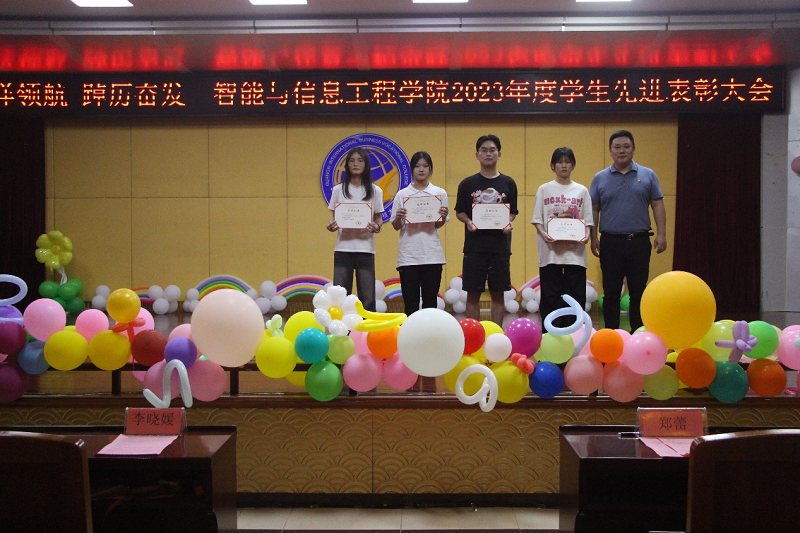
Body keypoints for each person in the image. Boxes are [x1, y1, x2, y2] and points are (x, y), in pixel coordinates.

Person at [589, 129, 667, 332]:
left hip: (639, 242)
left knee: (639, 292)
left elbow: (657, 204)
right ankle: (611, 335)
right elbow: (594, 209)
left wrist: (661, 234)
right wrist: (593, 237)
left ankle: (638, 334)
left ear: (633, 149)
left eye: (626, 146)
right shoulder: (600, 178)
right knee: (611, 292)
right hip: (610, 242)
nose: (621, 151)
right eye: (617, 147)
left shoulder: (648, 175)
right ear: (610, 151)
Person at [455, 134, 518, 326]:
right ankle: (473, 335)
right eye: (483, 150)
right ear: (477, 154)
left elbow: (512, 212)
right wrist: (468, 222)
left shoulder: (508, 183)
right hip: (474, 247)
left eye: (492, 150)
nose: (488, 154)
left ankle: (497, 334)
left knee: (498, 294)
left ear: (499, 154)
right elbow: (460, 212)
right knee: (473, 294)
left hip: (500, 247)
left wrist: (508, 222)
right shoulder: (467, 184)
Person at [531, 147, 593, 332]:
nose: (564, 165)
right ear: (553, 166)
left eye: (567, 162)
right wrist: (544, 234)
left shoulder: (581, 190)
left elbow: (588, 221)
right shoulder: (544, 189)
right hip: (550, 253)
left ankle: (574, 335)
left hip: (575, 254)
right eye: (559, 162)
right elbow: (537, 219)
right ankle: (551, 336)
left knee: (575, 297)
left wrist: (586, 235)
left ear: (573, 165)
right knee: (550, 297)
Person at [390, 151, 450, 317]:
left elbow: (438, 224)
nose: (421, 169)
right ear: (412, 169)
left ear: (430, 169)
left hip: (432, 255)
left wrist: (442, 216)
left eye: (425, 166)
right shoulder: (402, 194)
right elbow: (395, 226)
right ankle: (411, 333)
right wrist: (399, 217)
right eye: (417, 166)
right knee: (411, 303)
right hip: (408, 256)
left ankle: (429, 332)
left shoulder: (439, 193)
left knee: (430, 303)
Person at [326, 146, 384, 312]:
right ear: (347, 165)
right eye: (351, 161)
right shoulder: (338, 190)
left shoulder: (375, 190)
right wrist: (331, 225)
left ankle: (366, 328)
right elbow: (334, 217)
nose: (355, 164)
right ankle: (342, 328)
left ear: (366, 164)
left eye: (360, 160)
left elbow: (378, 218)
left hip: (365, 249)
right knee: (340, 296)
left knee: (367, 297)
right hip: (343, 249)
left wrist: (377, 227)